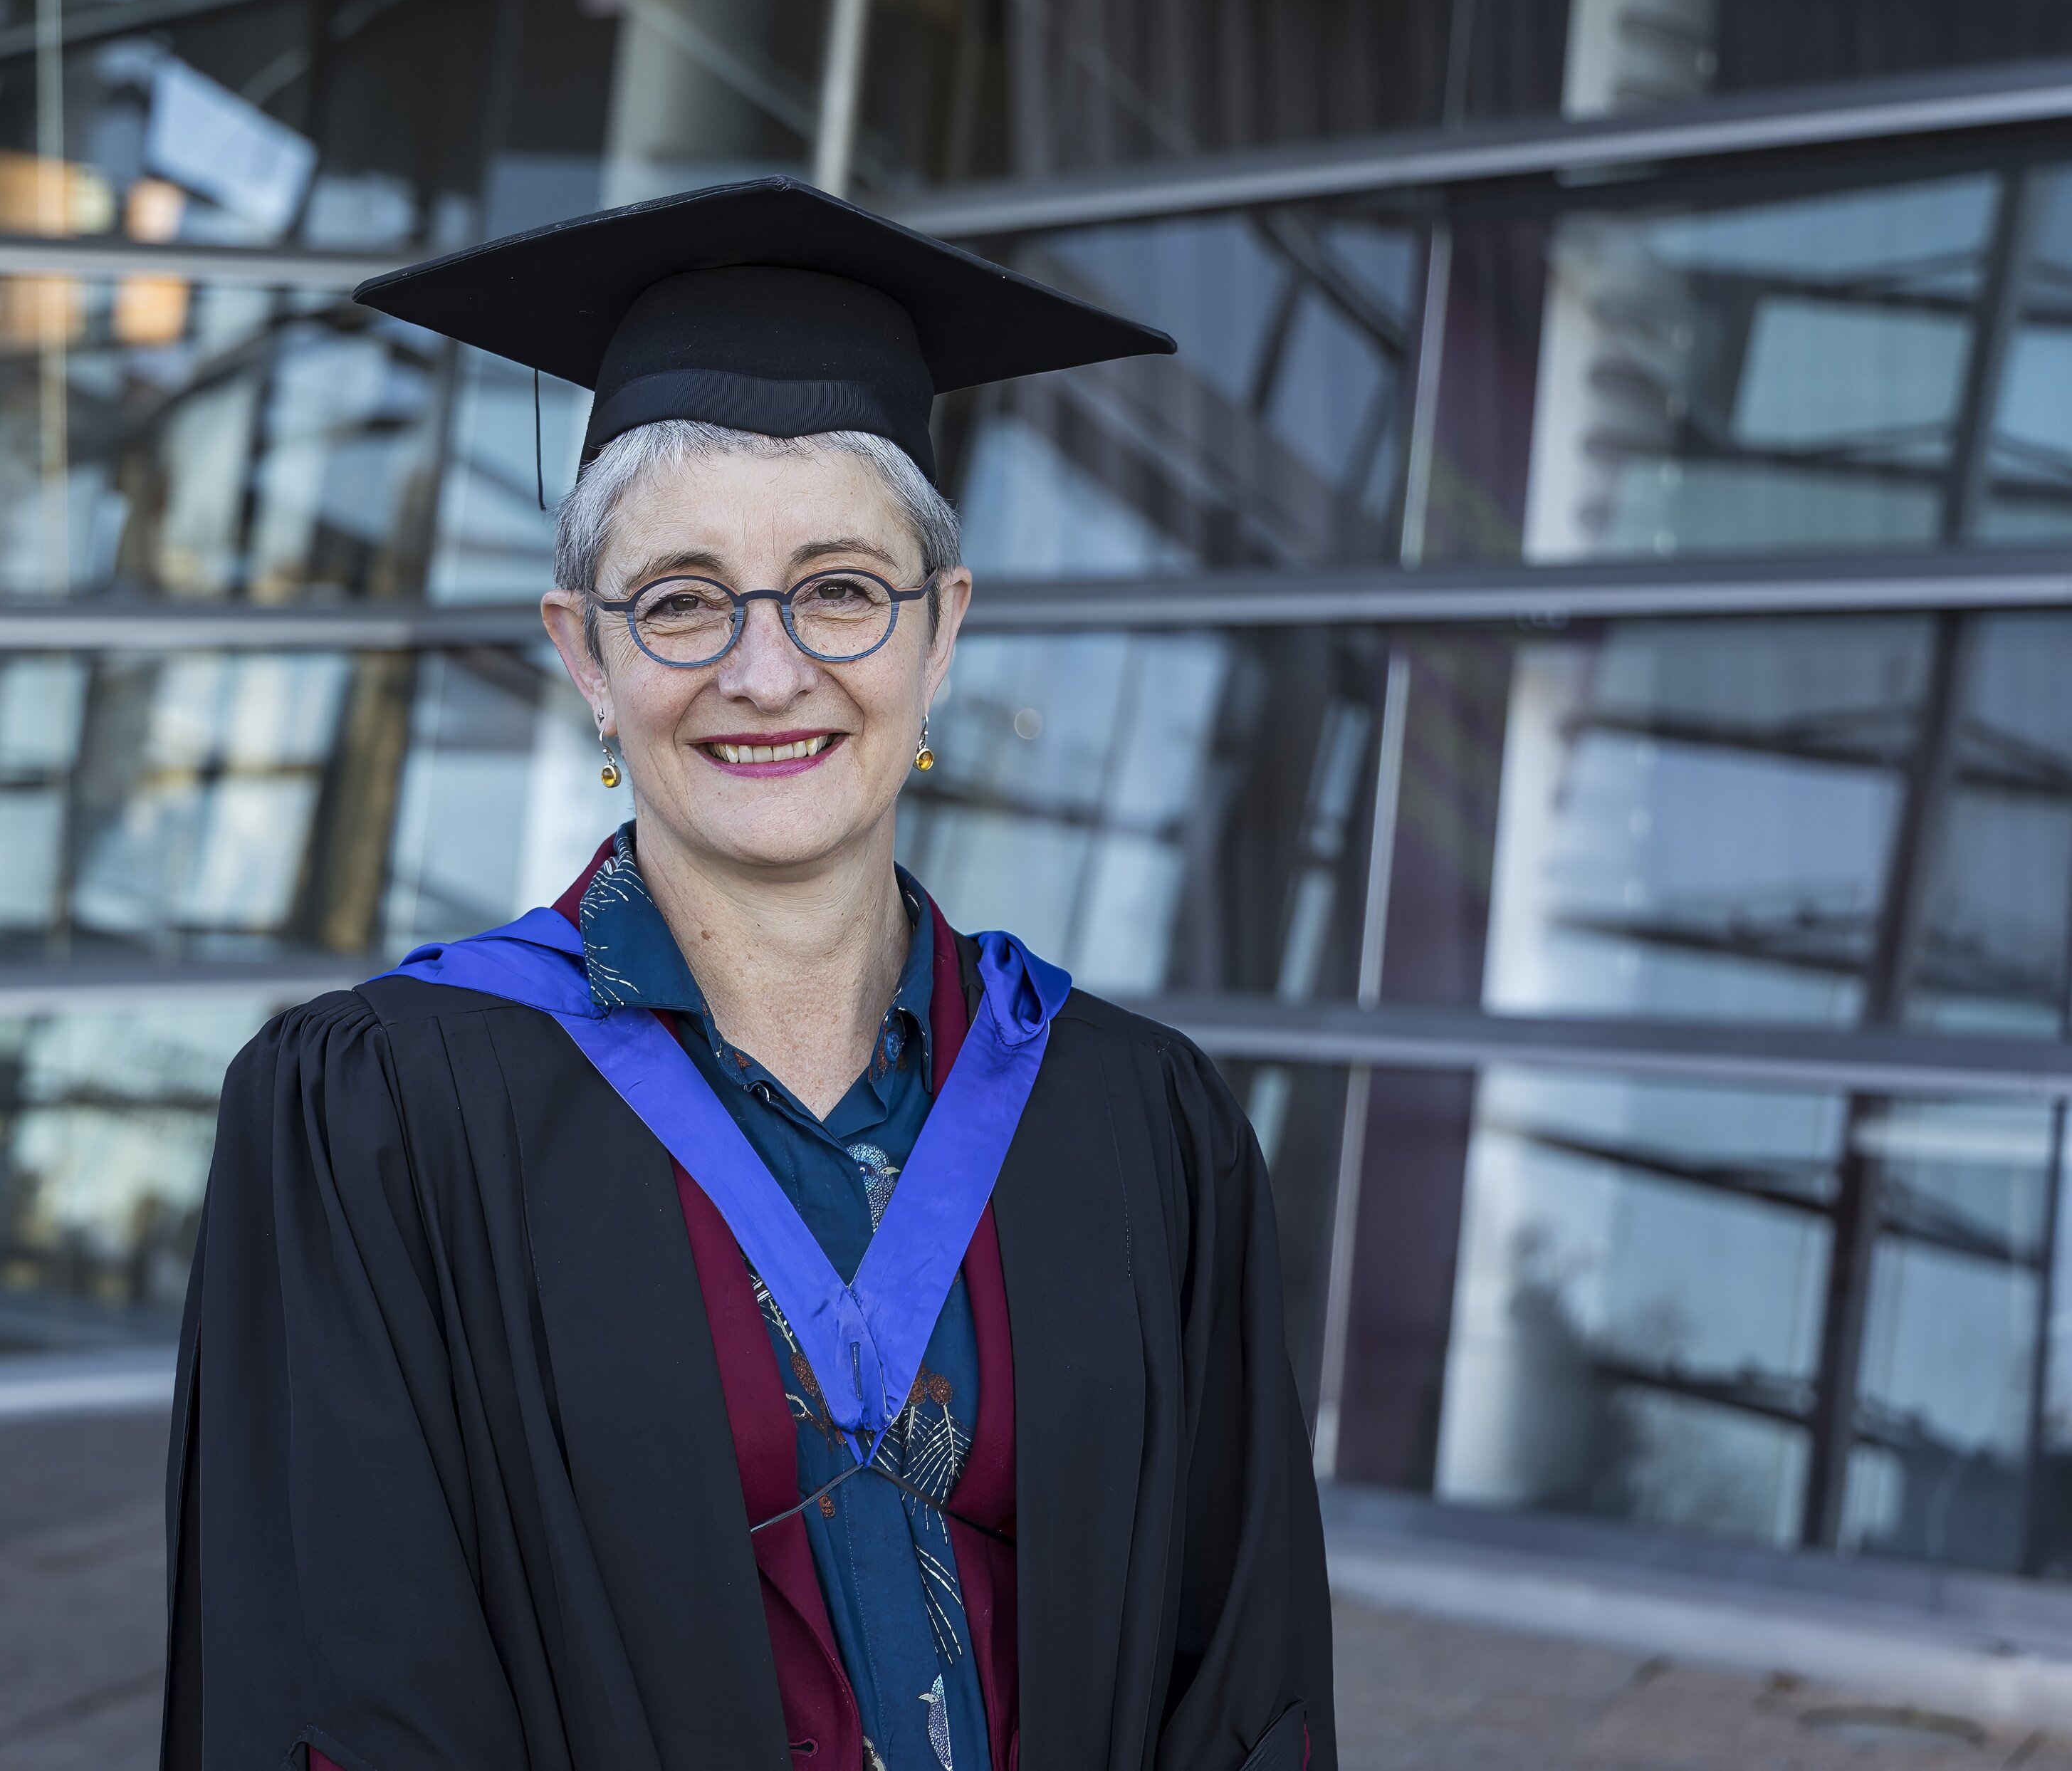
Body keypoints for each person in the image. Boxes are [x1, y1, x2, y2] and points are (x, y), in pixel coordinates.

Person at [161, 178, 1333, 1771]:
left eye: (841, 589)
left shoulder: (1130, 1120)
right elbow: (344, 1685)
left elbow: (1238, 1669)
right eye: (681, 600)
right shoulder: (385, 1117)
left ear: (940, 630)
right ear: (584, 651)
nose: (763, 668)